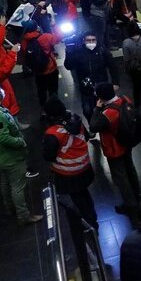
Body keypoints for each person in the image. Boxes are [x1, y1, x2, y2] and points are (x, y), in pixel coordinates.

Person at [0, 82, 42, 226]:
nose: (2, 91)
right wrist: (20, 141)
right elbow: (3, 137)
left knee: (5, 182)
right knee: (17, 186)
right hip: (11, 156)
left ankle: (9, 208)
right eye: (0, 90)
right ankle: (23, 215)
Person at [42, 97, 97, 228]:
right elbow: (87, 136)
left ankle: (86, 224)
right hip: (84, 166)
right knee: (83, 193)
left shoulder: (53, 133)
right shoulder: (75, 119)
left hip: (68, 173)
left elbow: (48, 156)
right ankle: (92, 217)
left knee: (76, 197)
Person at [89, 83, 141, 218]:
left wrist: (96, 108)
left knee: (120, 177)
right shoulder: (124, 100)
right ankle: (137, 195)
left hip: (114, 148)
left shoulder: (108, 113)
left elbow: (93, 126)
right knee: (130, 170)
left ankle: (130, 204)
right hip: (127, 142)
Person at [64, 32, 119, 123]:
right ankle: (92, 124)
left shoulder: (102, 51)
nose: (91, 42)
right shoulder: (78, 52)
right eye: (88, 40)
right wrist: (69, 53)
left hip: (101, 85)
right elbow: (68, 66)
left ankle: (105, 124)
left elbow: (112, 66)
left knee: (105, 108)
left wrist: (116, 82)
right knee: (87, 110)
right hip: (85, 87)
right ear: (84, 41)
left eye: (93, 40)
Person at [20, 20, 61, 110]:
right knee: (53, 90)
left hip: (38, 72)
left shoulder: (24, 41)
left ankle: (43, 108)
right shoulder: (45, 37)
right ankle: (54, 108)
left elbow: (24, 57)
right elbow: (58, 38)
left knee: (41, 90)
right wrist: (54, 26)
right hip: (51, 70)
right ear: (36, 28)